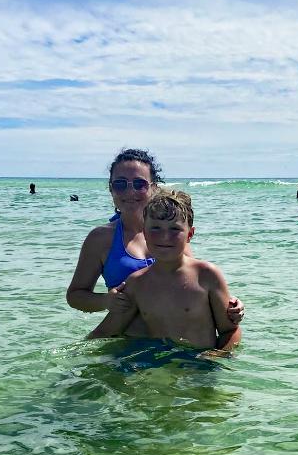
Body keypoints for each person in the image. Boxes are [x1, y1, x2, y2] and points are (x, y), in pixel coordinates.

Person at [66, 148, 244, 335]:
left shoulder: (171, 234)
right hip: (129, 342)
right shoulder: (100, 238)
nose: (130, 191)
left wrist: (228, 303)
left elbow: (192, 283)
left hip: (174, 341)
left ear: (154, 188)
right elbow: (75, 296)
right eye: (120, 184)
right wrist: (105, 301)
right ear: (111, 188)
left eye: (139, 184)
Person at [89, 189, 239, 351]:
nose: (164, 237)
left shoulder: (206, 275)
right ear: (145, 233)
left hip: (200, 362)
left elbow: (231, 331)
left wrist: (218, 355)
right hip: (157, 361)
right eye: (155, 228)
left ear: (190, 234)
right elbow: (104, 332)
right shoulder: (137, 283)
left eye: (174, 229)